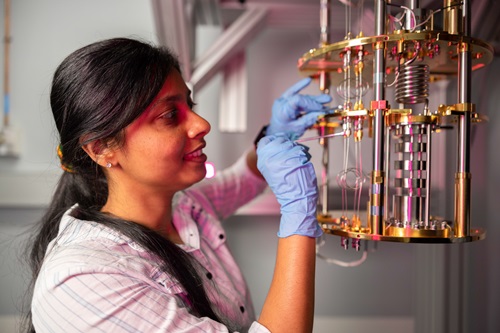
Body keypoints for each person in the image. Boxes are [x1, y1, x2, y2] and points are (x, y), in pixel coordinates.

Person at [23, 37, 331, 333]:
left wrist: (273, 135)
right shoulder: (85, 279)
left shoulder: (184, 207)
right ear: (102, 148)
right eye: (170, 115)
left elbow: (241, 180)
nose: (201, 124)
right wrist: (298, 214)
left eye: (190, 105)